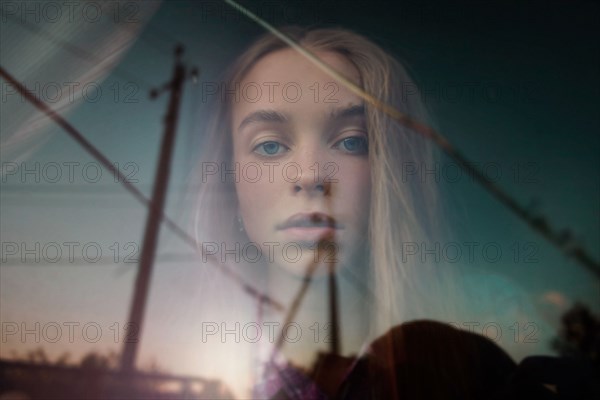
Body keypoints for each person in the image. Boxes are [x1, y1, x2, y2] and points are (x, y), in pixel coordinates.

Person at [191, 26, 504, 398]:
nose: (310, 176)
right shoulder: (195, 374)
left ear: (391, 175)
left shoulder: (472, 373)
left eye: (352, 141)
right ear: (230, 181)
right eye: (270, 146)